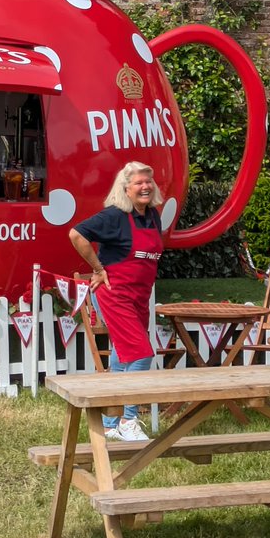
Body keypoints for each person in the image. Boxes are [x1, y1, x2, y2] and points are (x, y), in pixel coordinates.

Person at [68, 161, 164, 442]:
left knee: (124, 357)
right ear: (126, 189)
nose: (145, 186)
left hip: (139, 296)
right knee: (142, 353)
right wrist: (98, 269)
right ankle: (128, 419)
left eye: (149, 181)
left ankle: (109, 424)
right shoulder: (114, 215)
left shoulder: (153, 216)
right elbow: (76, 234)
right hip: (115, 294)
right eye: (139, 183)